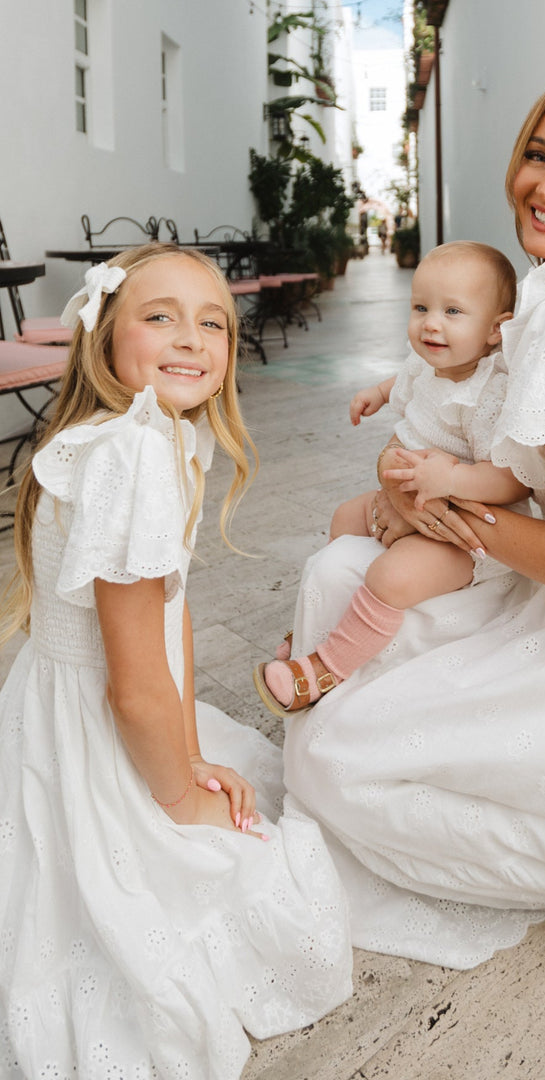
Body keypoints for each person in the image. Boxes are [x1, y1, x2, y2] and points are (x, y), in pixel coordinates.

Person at [280, 73, 545, 969]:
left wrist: (443, 502)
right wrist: (411, 485)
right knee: (339, 575)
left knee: (328, 765)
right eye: (537, 154)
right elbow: (459, 427)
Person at [0, 244, 352, 1077]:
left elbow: (171, 613)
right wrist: (178, 796)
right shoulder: (132, 462)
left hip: (73, 706)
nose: (192, 339)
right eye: (161, 317)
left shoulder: (144, 436)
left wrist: (191, 746)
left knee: (231, 789)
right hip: (103, 720)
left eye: (214, 323)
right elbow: (130, 688)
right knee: (261, 874)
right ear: (105, 339)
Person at [253, 241, 527, 715]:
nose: (430, 323)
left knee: (391, 576)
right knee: (344, 516)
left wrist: (454, 477)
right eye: (420, 307)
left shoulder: (489, 394)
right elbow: (400, 382)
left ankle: (325, 667)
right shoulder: (426, 364)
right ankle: (316, 625)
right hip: (406, 498)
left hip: (462, 534)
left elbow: (512, 481)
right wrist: (375, 394)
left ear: (496, 331)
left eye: (453, 311)